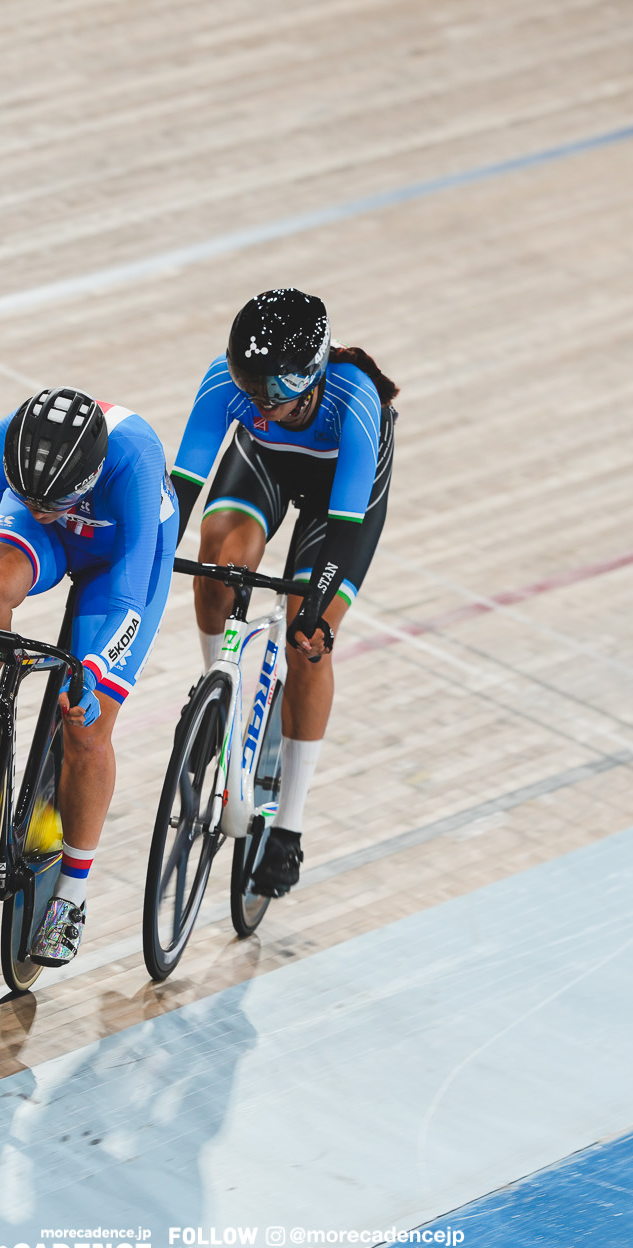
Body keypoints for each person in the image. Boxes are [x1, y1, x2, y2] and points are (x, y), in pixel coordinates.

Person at [0, 388, 176, 966]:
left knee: (86, 731)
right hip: (64, 540)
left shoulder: (134, 459)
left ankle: (71, 894)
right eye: (29, 497)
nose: (42, 508)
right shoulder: (3, 444)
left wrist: (94, 668)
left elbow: (130, 600)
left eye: (55, 499)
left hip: (121, 561)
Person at [168, 289, 397, 897]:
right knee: (218, 559)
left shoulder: (355, 399)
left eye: (275, 395)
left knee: (307, 638)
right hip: (264, 466)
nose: (262, 406)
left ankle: (289, 825)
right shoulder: (229, 386)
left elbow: (346, 530)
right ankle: (215, 697)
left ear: (312, 373)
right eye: (252, 393)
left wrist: (316, 613)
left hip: (338, 499)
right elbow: (182, 487)